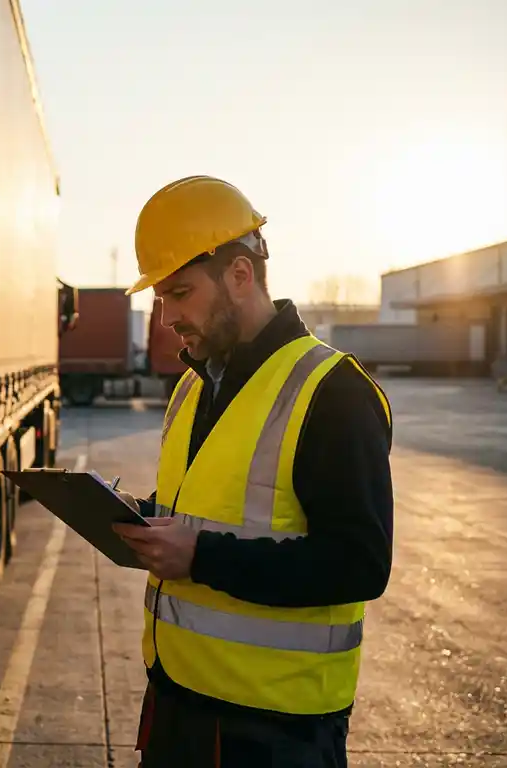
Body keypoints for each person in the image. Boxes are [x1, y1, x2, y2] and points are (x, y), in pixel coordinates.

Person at [111, 176, 394, 768]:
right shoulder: (193, 385)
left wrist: (200, 556)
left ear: (240, 275)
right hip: (178, 705)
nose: (167, 318)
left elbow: (359, 563)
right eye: (161, 297)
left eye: (180, 293)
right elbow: (210, 506)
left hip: (274, 734)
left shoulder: (332, 391)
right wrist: (147, 521)